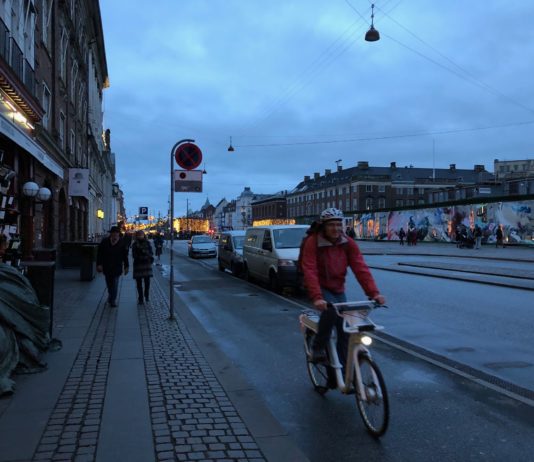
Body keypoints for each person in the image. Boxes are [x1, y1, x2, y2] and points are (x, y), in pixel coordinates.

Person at [300, 208, 386, 363]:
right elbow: (310, 269)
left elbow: (360, 268)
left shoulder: (348, 243)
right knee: (330, 313)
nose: (336, 228)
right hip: (319, 286)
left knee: (346, 327)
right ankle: (317, 348)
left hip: (338, 287)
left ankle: (344, 369)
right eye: (331, 225)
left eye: (339, 225)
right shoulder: (313, 242)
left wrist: (374, 293)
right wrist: (317, 297)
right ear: (323, 226)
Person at [97, 226, 129, 307]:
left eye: (116, 233)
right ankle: (111, 295)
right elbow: (99, 254)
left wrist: (126, 266)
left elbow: (125, 256)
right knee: (109, 284)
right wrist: (99, 264)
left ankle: (113, 300)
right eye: (113, 233)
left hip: (117, 267)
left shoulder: (122, 242)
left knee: (115, 283)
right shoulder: (105, 242)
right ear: (111, 234)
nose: (115, 234)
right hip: (107, 266)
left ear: (118, 234)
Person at [131, 230, 154, 304]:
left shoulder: (147, 243)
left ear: (144, 235)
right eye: (139, 235)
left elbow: (151, 253)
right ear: (136, 236)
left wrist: (147, 256)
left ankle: (146, 295)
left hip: (146, 265)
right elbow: (134, 255)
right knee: (139, 283)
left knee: (147, 282)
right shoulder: (135, 244)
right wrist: (142, 257)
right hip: (138, 265)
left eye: (141, 235)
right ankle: (140, 298)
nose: (140, 236)